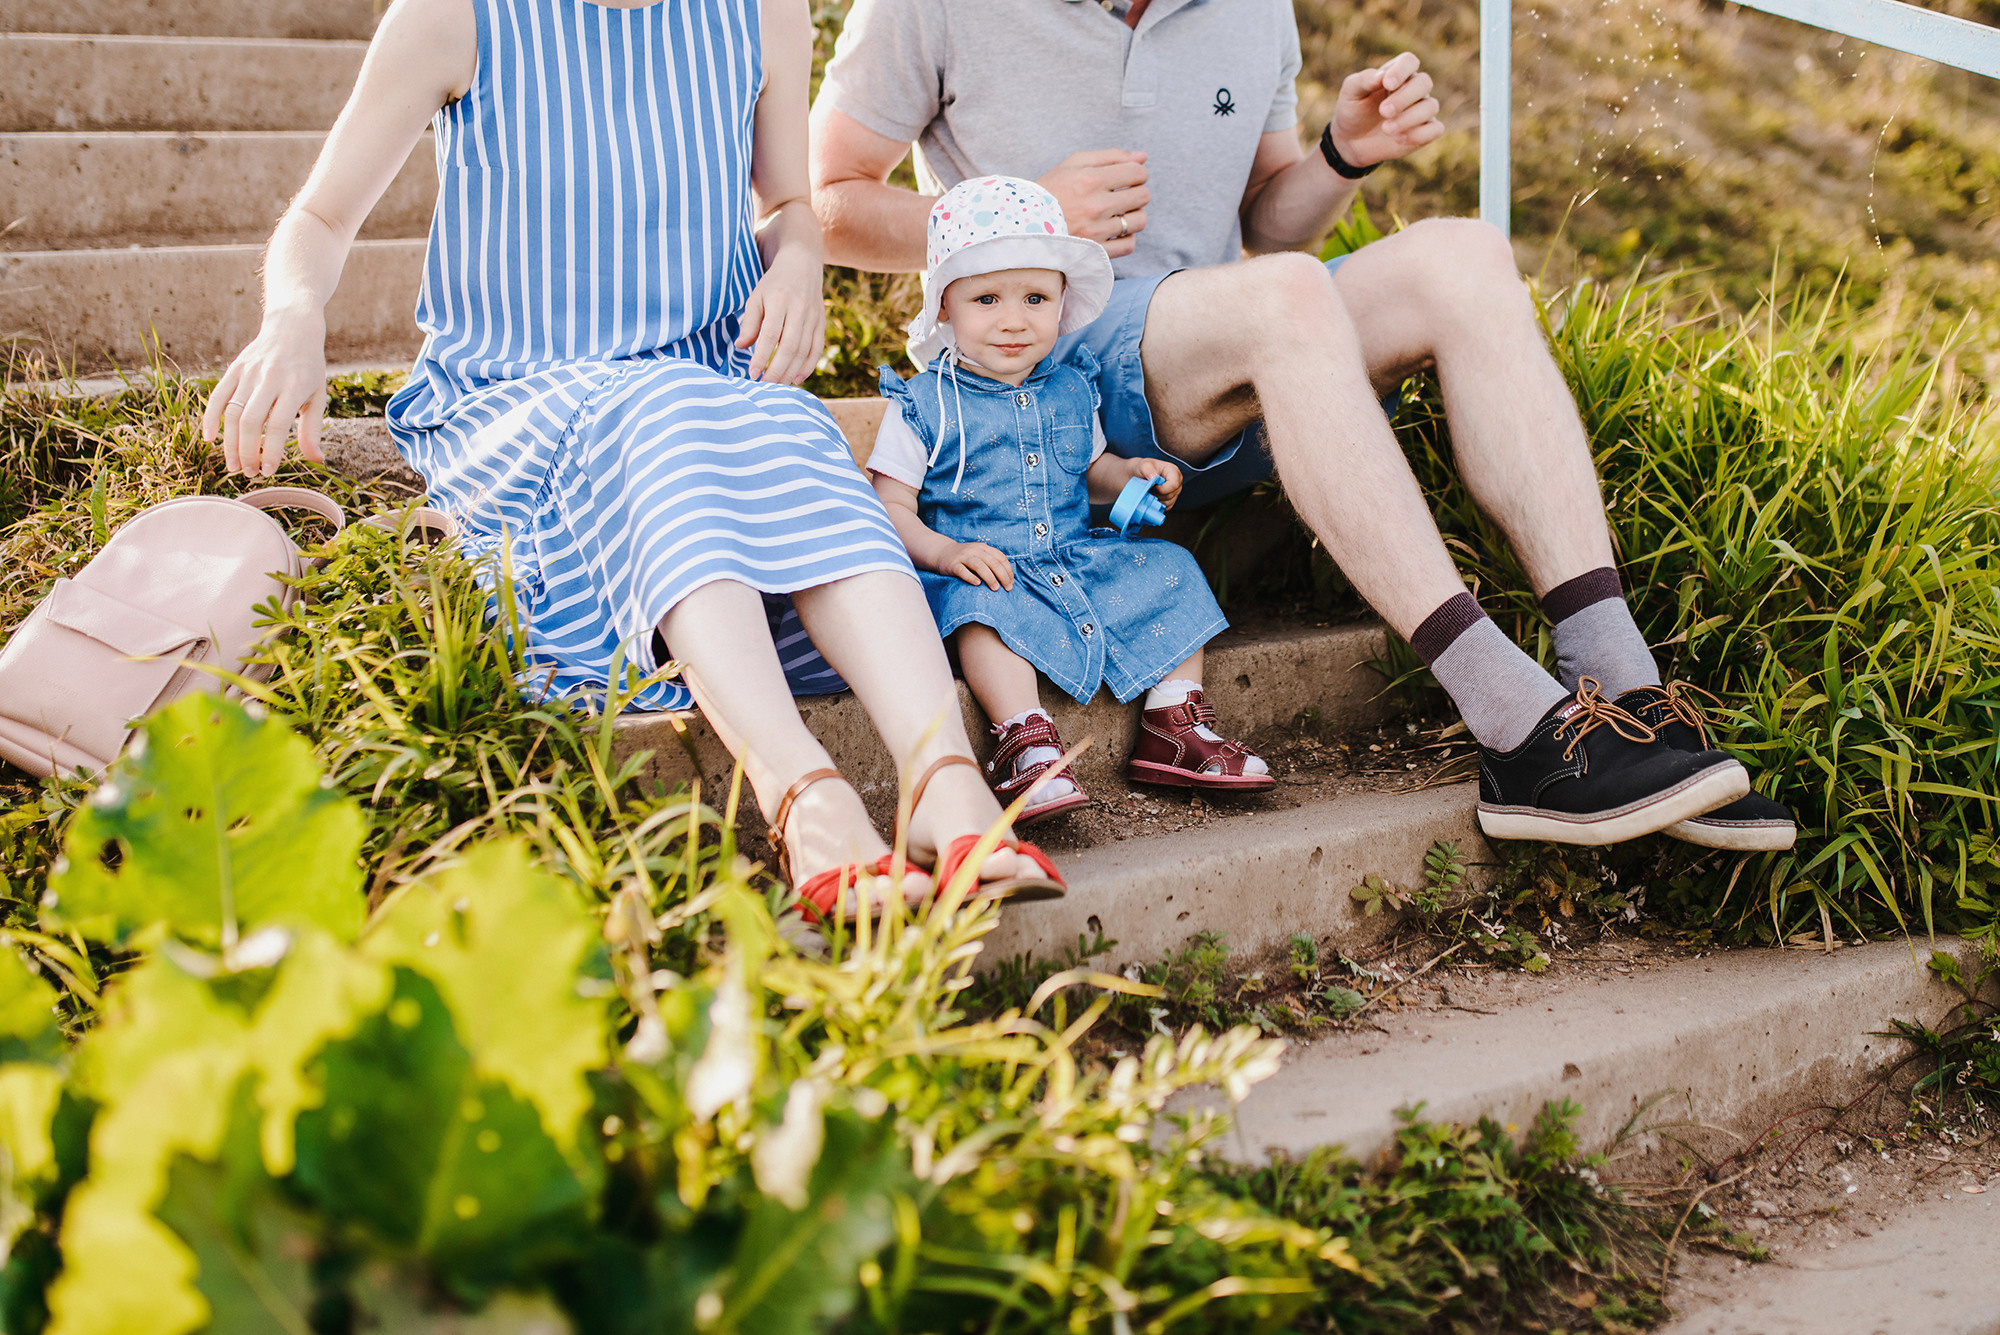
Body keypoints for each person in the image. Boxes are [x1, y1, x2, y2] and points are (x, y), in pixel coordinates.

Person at [808, 0, 1795, 850]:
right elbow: (827, 201)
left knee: (1460, 257)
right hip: (1042, 379)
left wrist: (1339, 153)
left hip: (1222, 346)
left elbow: (1271, 226)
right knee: (1281, 299)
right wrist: (1022, 215)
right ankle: (1512, 724)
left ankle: (1620, 693)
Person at [199, 0, 1069, 920]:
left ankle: (946, 786)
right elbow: (324, 215)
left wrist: (799, 254)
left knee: (795, 424)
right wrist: (293, 317)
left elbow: (783, 204)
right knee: (660, 409)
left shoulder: (759, 12)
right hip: (522, 399)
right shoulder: (459, 16)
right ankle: (805, 798)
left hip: (707, 385)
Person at [868, 176, 1274, 823]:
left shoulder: (1070, 387)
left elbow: (1088, 470)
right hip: (982, 565)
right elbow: (889, 505)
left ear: (1062, 302)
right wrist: (946, 554)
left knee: (1171, 567)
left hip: (1070, 553)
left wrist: (1130, 472)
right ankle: (1023, 739)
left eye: (1035, 297)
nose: (1013, 318)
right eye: (987, 298)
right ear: (945, 306)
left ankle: (1175, 720)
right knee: (979, 610)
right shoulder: (923, 404)